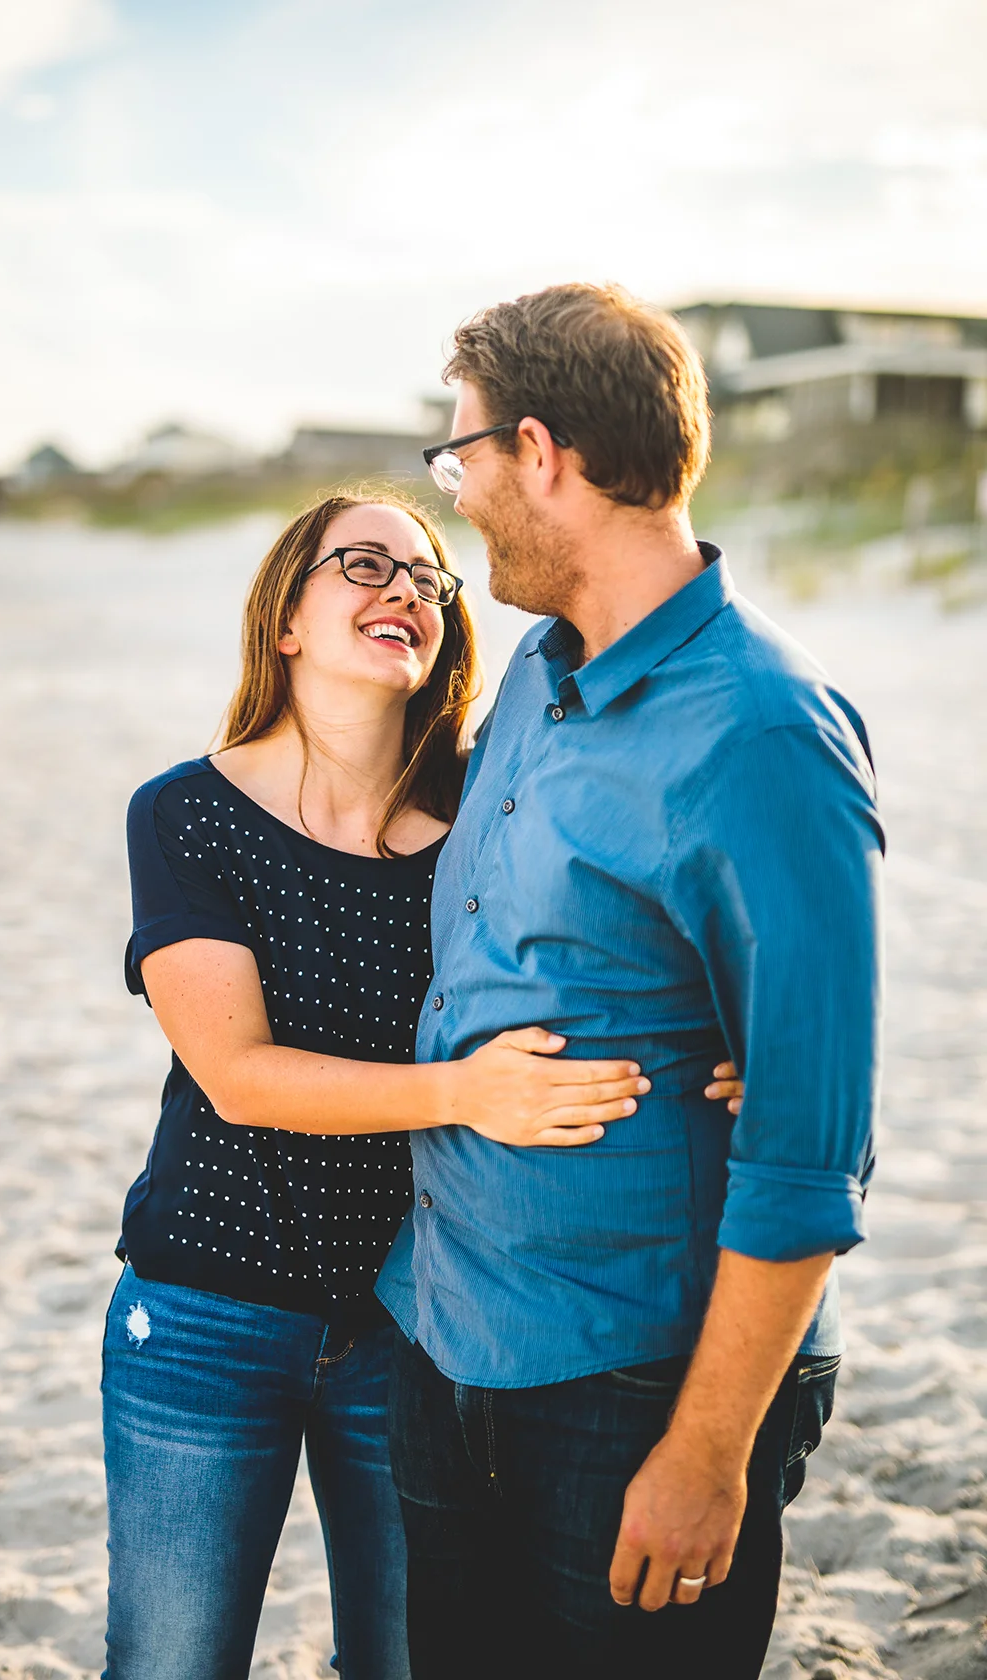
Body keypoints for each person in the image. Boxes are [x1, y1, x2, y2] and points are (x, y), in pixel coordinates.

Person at [102, 489, 741, 1680]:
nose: (409, 592)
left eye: (433, 580)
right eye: (365, 566)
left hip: (416, 1323)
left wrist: (731, 1045)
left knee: (405, 1664)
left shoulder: (478, 825)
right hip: (204, 1315)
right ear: (284, 618)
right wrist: (462, 1096)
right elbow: (236, 1076)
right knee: (172, 1664)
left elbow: (610, 946)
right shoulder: (185, 813)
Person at [378, 283, 884, 1680]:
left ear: (540, 452)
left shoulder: (764, 732)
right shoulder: (538, 669)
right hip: (452, 1340)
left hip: (636, 1392)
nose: (459, 493)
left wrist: (706, 1456)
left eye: (461, 456)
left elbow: (810, 1146)